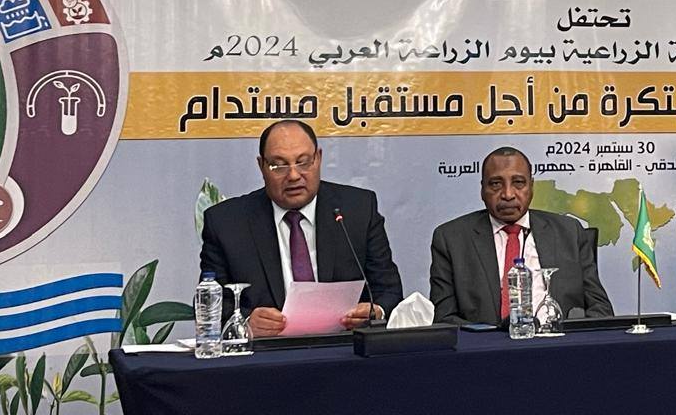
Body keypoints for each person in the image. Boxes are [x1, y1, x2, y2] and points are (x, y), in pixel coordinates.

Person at [199, 119, 403, 337]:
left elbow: (389, 291)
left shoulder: (358, 210)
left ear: (318, 159)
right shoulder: (227, 223)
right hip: (267, 352)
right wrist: (246, 323)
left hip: (345, 347)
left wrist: (374, 312)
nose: (294, 175)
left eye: (303, 162)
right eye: (279, 165)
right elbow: (210, 304)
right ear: (261, 166)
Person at [429, 146, 614, 325]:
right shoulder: (451, 239)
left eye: (518, 182)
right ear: (482, 190)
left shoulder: (569, 232)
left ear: (531, 187)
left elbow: (601, 309)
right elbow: (445, 319)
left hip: (559, 341)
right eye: (496, 184)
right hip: (486, 344)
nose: (508, 194)